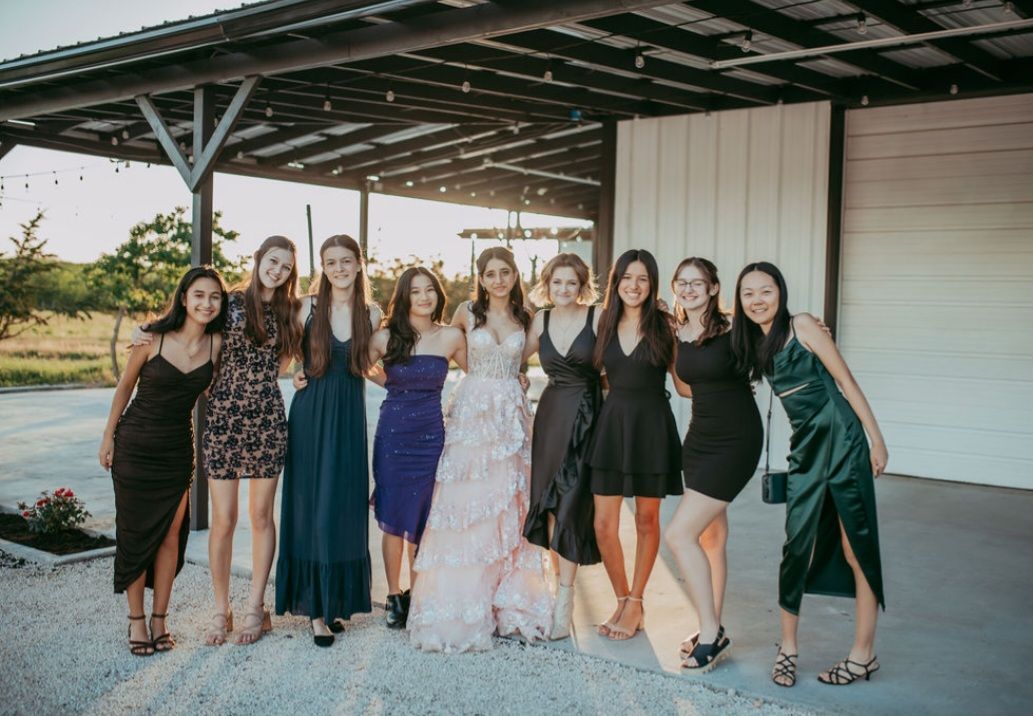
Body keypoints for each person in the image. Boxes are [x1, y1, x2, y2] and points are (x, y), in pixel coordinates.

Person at [732, 261, 887, 687]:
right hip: (805, 447)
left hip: (843, 439)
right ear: (739, 300)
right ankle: (788, 648)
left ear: (780, 293)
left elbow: (847, 382)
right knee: (796, 544)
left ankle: (863, 655)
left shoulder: (802, 325)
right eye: (748, 293)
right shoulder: (750, 341)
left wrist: (876, 439)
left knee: (856, 544)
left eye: (766, 291)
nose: (758, 300)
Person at [408, 246, 552, 652]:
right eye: (491, 273)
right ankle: (464, 603)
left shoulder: (528, 318)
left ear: (515, 275)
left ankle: (507, 600)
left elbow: (522, 362)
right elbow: (445, 347)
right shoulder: (465, 313)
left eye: (505, 272)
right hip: (472, 413)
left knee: (509, 498)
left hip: (510, 412)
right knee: (469, 499)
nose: (499, 280)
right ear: (481, 277)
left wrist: (516, 380)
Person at [99, 266, 226, 656]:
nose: (207, 303)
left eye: (215, 297)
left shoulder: (216, 345)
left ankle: (160, 619)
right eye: (199, 295)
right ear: (184, 298)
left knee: (171, 534)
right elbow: (124, 389)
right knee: (135, 533)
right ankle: (136, 620)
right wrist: (108, 437)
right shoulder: (150, 339)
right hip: (136, 446)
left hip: (176, 450)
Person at [278, 234, 380, 647]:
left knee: (343, 505)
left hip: (349, 418)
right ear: (323, 266)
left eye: (346, 261)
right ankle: (315, 610)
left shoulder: (371, 314)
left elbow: (375, 365)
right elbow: (284, 357)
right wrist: (292, 375)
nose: (339, 268)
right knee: (312, 504)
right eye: (331, 262)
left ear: (359, 263)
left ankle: (336, 599)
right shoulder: (306, 306)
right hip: (311, 414)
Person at [663, 257, 762, 672]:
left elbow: (780, 339)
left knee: (680, 534)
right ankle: (713, 623)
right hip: (699, 438)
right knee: (711, 538)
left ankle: (709, 634)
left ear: (714, 287)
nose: (689, 289)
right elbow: (686, 389)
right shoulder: (677, 333)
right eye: (682, 283)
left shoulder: (735, 327)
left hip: (736, 440)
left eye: (697, 283)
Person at [585, 249, 683, 641]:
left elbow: (684, 382)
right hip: (611, 428)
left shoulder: (666, 326)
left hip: (652, 428)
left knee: (646, 520)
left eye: (643, 279)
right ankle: (622, 597)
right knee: (604, 525)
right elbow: (596, 374)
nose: (634, 285)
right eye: (628, 277)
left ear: (652, 284)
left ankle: (637, 602)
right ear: (616, 282)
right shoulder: (602, 321)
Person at [367, 266, 467, 629]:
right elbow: (359, 365)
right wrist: (391, 382)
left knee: (424, 518)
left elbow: (480, 375)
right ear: (405, 297)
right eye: (416, 291)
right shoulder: (384, 337)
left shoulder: (452, 337)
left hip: (431, 436)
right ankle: (394, 596)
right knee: (393, 519)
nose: (424, 297)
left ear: (438, 295)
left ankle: (420, 592)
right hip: (394, 434)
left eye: (430, 290)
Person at [521, 252, 602, 640]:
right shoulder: (541, 319)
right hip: (551, 415)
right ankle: (556, 592)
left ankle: (566, 599)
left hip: (588, 416)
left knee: (572, 504)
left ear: (582, 285)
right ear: (547, 285)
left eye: (571, 282)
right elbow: (512, 359)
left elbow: (616, 364)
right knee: (549, 503)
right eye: (557, 283)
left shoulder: (598, 317)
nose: (564, 289)